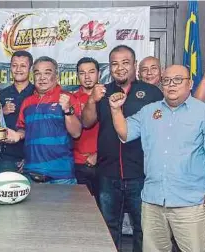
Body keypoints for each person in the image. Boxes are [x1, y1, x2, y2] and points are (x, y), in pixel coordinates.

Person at [110, 65, 205, 252]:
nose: (171, 85)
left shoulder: (204, 112)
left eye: (177, 80)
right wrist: (116, 110)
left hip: (191, 203)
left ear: (189, 84)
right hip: (153, 201)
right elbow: (125, 133)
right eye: (166, 81)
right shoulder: (149, 111)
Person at [81, 45, 163, 252]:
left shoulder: (152, 93)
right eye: (115, 64)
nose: (120, 68)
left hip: (141, 173)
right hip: (108, 173)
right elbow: (87, 122)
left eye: (125, 62)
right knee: (109, 227)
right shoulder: (102, 92)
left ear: (134, 65)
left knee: (143, 229)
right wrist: (92, 99)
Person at [6, 56, 82, 184]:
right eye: (37, 73)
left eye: (47, 73)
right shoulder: (27, 102)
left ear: (56, 76)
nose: (42, 78)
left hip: (61, 177)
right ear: (33, 76)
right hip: (31, 175)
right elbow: (23, 129)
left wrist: (68, 111)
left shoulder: (68, 98)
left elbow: (76, 133)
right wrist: (18, 135)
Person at [0, 50, 34, 173]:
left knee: (35, 192)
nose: (18, 69)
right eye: (14, 65)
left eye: (23, 65)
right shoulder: (2, 94)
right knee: (4, 190)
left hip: (33, 155)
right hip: (7, 156)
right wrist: (1, 112)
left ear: (30, 68)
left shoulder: (37, 92)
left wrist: (30, 157)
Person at [71, 57, 100, 196]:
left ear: (99, 74)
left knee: (105, 213)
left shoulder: (108, 97)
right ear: (77, 76)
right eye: (82, 73)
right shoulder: (71, 99)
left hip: (103, 163)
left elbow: (116, 134)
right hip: (77, 163)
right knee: (80, 212)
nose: (87, 77)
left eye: (91, 72)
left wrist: (98, 154)